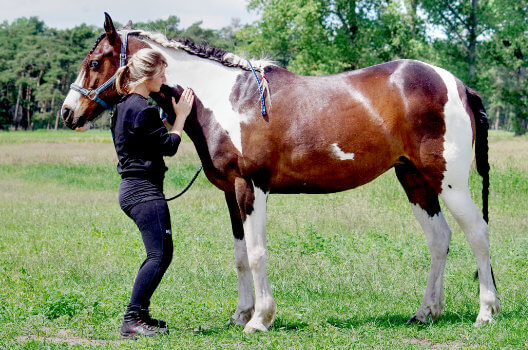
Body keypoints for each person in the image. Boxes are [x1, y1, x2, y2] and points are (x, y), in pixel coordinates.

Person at [112, 48, 194, 339]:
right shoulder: (142, 108)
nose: (165, 78)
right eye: (162, 72)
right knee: (158, 255)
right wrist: (181, 116)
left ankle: (141, 314)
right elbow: (169, 146)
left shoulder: (125, 106)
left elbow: (151, 139)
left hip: (134, 190)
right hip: (143, 192)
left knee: (161, 253)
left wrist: (170, 123)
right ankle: (132, 319)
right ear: (148, 75)